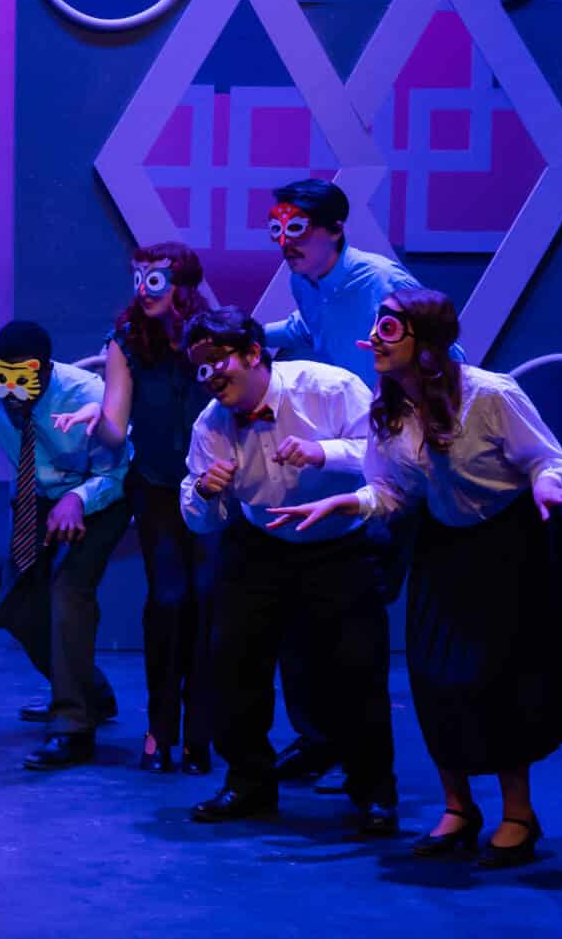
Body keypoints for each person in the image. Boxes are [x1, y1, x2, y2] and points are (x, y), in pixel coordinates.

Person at [270, 291, 562, 866]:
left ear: (427, 342)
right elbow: (389, 491)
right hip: (445, 543)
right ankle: (458, 807)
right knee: (433, 675)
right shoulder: (388, 408)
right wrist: (341, 504)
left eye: (389, 328)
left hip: (514, 538)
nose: (373, 339)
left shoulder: (490, 395)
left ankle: (518, 814)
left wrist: (546, 482)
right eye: (376, 327)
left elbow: (551, 459)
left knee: (499, 678)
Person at [255, 177, 459, 788]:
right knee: (303, 610)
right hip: (328, 454)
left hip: (383, 457)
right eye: (278, 231)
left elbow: (445, 356)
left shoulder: (383, 284)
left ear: (336, 230)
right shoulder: (306, 278)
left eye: (298, 230)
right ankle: (322, 740)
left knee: (354, 613)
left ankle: (364, 761)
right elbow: (307, 326)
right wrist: (247, 337)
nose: (285, 242)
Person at [175, 307, 397, 835]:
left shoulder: (329, 387)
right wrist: (205, 493)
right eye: (199, 367)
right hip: (260, 543)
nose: (209, 377)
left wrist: (324, 452)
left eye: (217, 360)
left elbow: (387, 457)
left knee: (356, 670)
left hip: (338, 544)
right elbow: (200, 520)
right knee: (233, 663)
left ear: (254, 353)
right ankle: (248, 782)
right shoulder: (210, 424)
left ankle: (372, 791)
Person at [0, 320, 129, 770]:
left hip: (97, 497)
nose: (11, 393)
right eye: (4, 379)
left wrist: (77, 499)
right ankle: (83, 692)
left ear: (44, 372)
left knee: (69, 596)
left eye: (22, 381)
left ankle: (72, 727)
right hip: (35, 496)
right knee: (16, 604)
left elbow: (117, 469)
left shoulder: (85, 393)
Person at [56, 240, 217, 775]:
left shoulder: (213, 336)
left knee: (208, 604)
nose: (145, 289)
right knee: (168, 601)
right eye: (139, 277)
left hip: (214, 487)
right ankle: (160, 729)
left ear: (184, 285)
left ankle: (200, 734)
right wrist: (93, 419)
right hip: (156, 485)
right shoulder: (127, 339)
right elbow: (115, 430)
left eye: (157, 278)